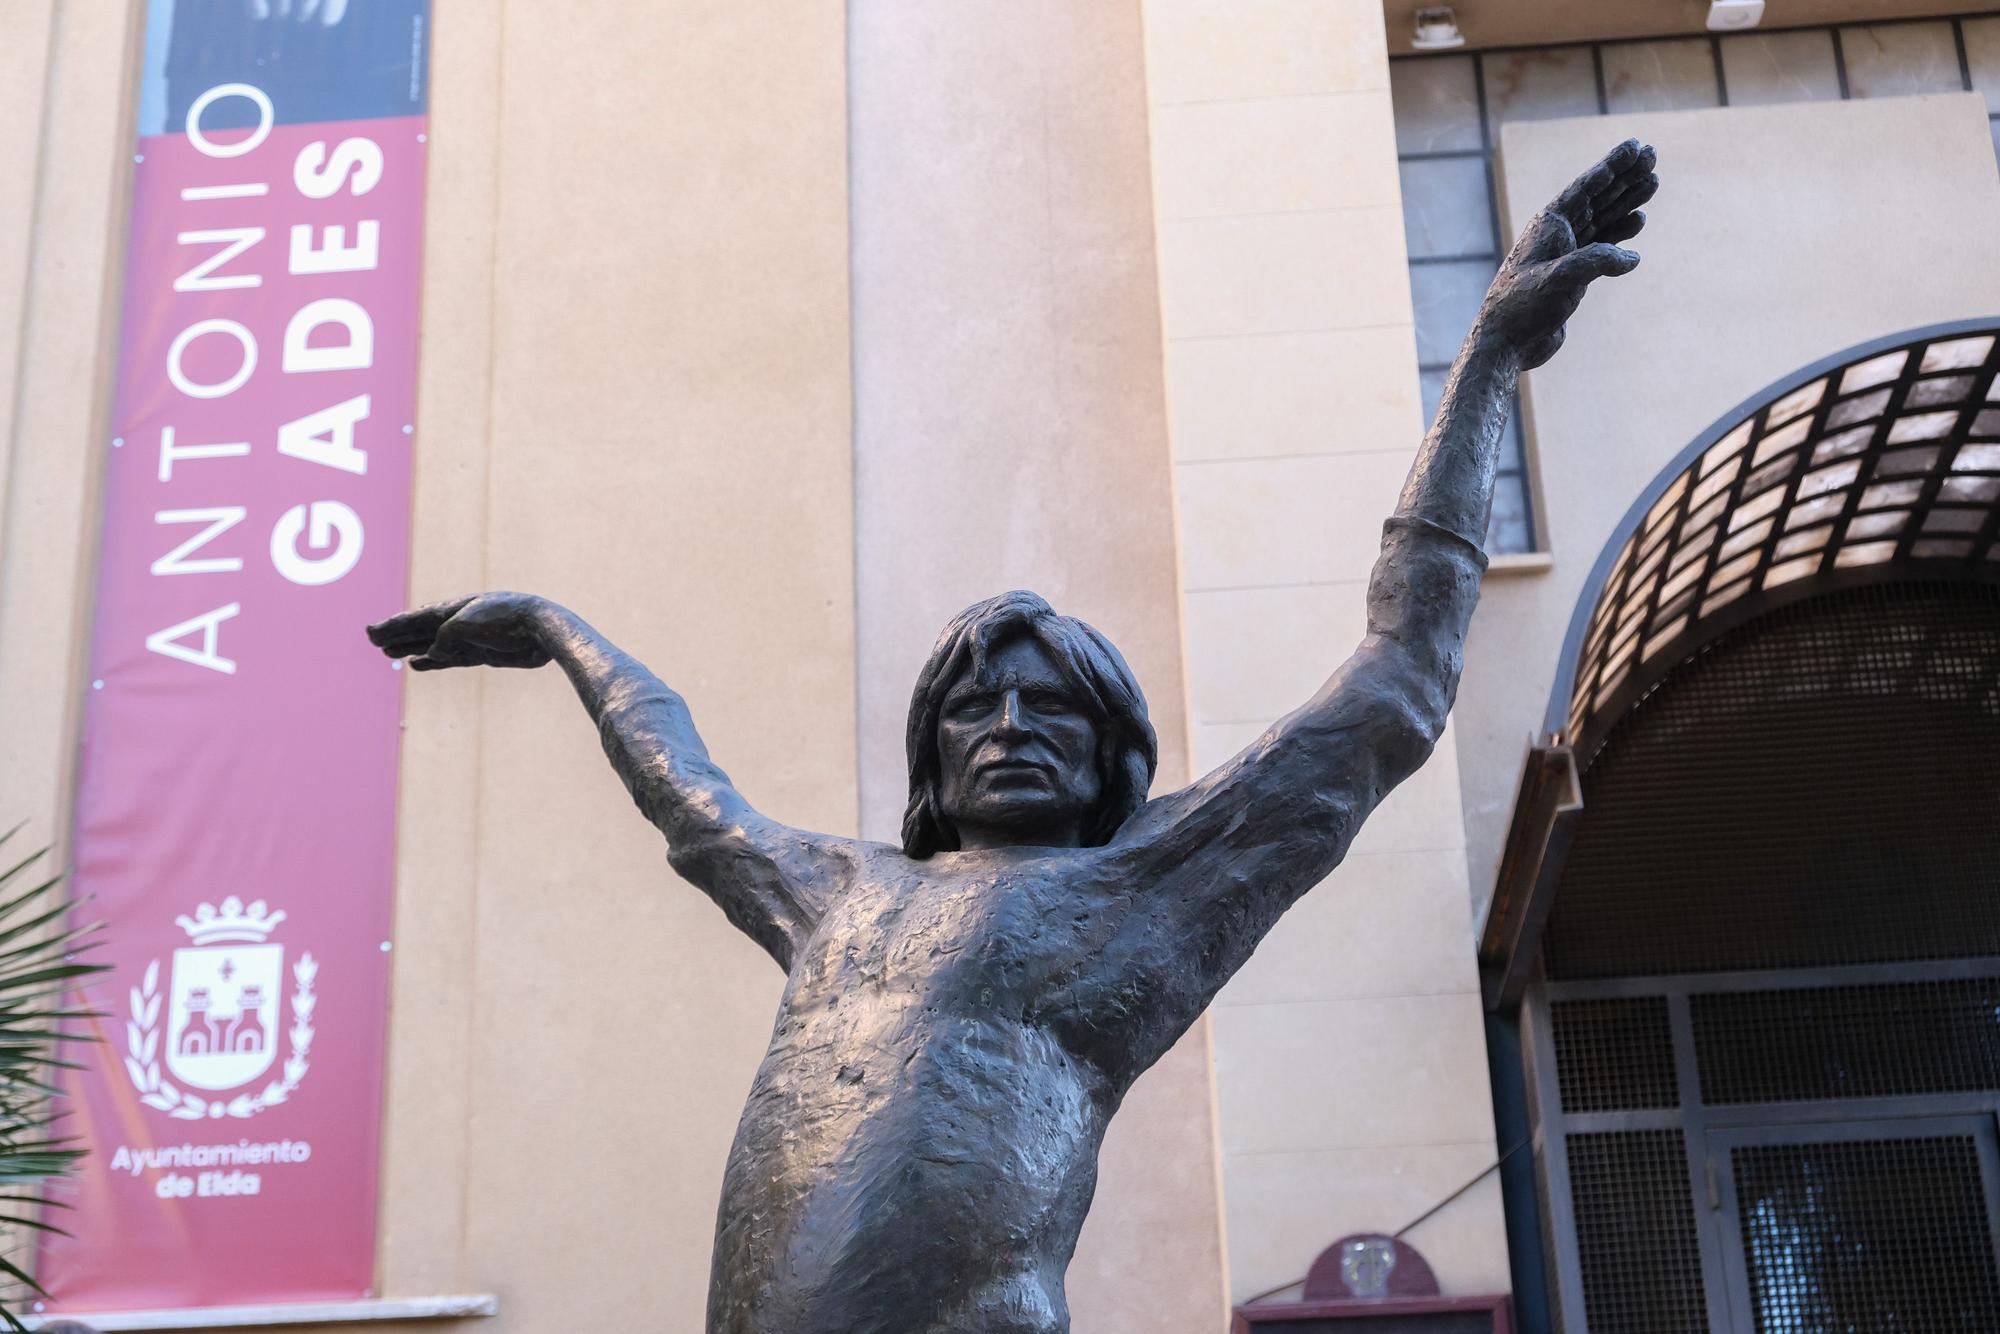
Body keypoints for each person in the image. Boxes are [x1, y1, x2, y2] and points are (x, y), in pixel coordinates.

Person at [370, 140, 1658, 1334]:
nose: (1011, 728)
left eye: (1053, 709)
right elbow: (685, 785)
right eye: (976, 708)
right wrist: (556, 631)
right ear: (931, 757)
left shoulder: (1148, 884)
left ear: (1113, 758)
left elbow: (1396, 686)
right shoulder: (838, 891)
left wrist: (1486, 362)